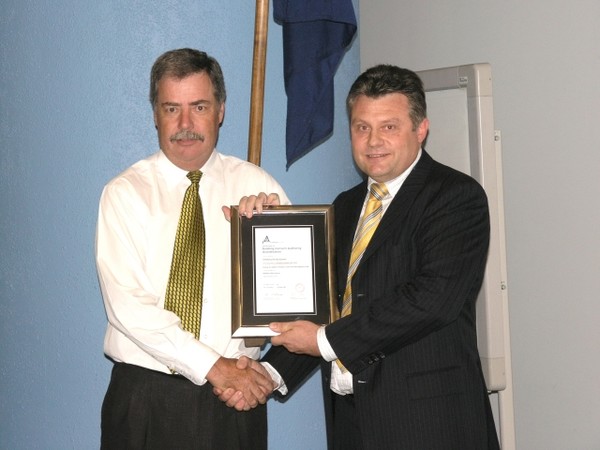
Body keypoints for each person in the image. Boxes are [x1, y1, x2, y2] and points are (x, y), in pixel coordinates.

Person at [221, 64, 500, 449]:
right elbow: (328, 309)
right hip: (352, 421)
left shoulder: (455, 197)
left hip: (429, 425)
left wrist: (322, 340)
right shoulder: (345, 206)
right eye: (361, 127)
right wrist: (269, 373)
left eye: (389, 126)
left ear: (421, 129)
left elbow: (432, 301)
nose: (373, 141)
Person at [95, 48, 289, 450]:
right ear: (154, 114)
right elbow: (128, 307)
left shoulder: (259, 188)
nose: (185, 124)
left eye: (199, 106)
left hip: (235, 398)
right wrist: (213, 366)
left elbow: (291, 303)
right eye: (171, 109)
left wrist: (271, 235)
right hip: (145, 398)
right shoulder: (125, 194)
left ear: (220, 110)